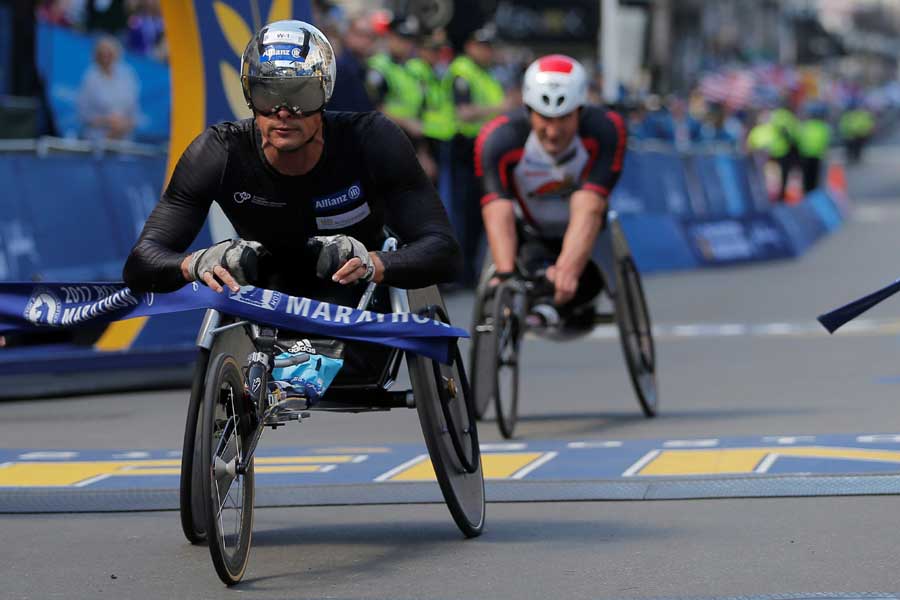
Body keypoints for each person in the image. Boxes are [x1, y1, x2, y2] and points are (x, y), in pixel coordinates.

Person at [123, 20, 460, 378]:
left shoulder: (372, 141)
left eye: (301, 94)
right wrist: (197, 262)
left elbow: (444, 251)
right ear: (249, 94)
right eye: (268, 94)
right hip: (266, 300)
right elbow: (141, 263)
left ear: (326, 92)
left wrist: (375, 262)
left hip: (357, 300)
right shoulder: (218, 152)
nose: (284, 112)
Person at [475, 54, 627, 328]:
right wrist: (507, 275)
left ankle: (561, 302)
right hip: (531, 235)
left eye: (564, 118)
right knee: (520, 269)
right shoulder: (498, 138)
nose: (553, 131)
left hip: (586, 237)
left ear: (580, 110)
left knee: (585, 282)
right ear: (528, 110)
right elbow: (497, 208)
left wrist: (568, 270)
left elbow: (590, 205)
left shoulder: (606, 129)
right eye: (544, 118)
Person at [444, 23, 512, 284]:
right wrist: (500, 107)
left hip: (485, 149)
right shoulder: (462, 72)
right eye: (483, 46)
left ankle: (471, 271)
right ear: (470, 46)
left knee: (480, 215)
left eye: (490, 47)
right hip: (464, 149)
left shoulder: (486, 73)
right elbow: (464, 112)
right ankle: (460, 273)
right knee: (464, 215)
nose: (488, 52)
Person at [76, 35, 139, 141]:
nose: (106, 57)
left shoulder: (128, 75)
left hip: (124, 142)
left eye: (109, 53)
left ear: (116, 54)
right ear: (96, 56)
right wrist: (107, 121)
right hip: (97, 140)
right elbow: (83, 115)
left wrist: (123, 126)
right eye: (102, 54)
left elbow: (134, 112)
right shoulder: (89, 78)